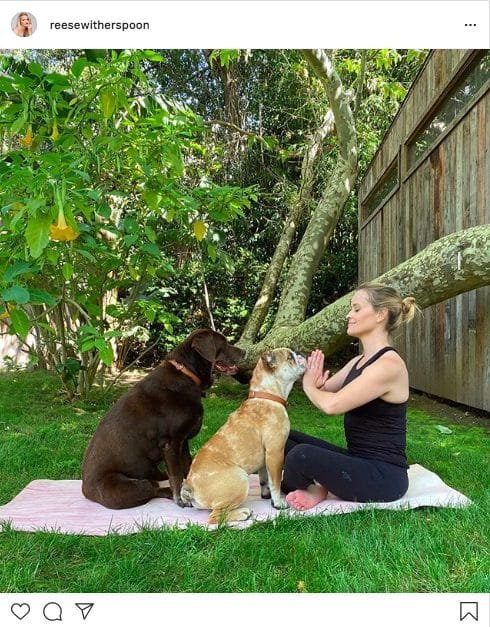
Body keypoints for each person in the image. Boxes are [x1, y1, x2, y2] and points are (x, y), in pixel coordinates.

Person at [282, 282, 418, 510]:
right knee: (283, 437)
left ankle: (316, 487)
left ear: (380, 315)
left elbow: (332, 405)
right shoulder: (358, 361)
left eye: (356, 309)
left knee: (300, 455)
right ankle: (321, 483)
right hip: (358, 460)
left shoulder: (389, 365)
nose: (349, 314)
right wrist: (313, 378)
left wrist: (308, 385)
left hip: (384, 477)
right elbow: (324, 391)